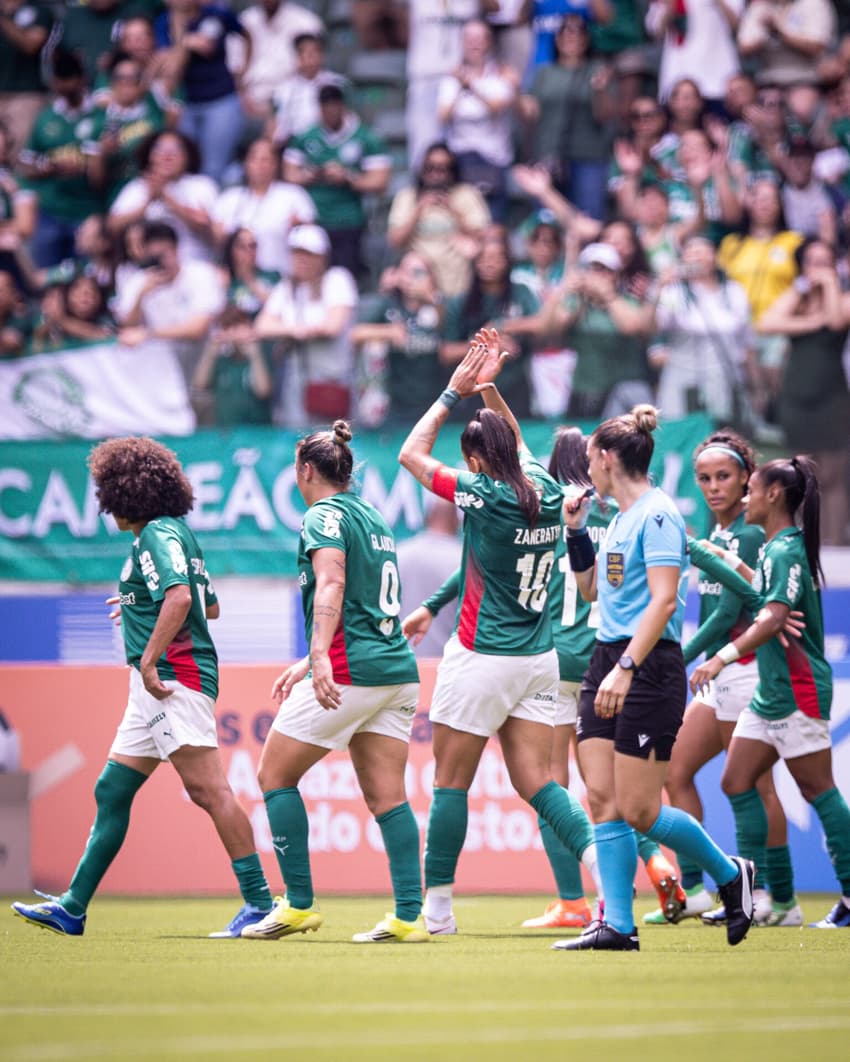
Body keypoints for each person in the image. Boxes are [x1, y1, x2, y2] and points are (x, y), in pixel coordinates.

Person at [11, 436, 274, 939]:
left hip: (172, 678)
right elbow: (207, 605)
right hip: (153, 686)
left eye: (106, 491)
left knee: (209, 790)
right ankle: (72, 908)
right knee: (112, 789)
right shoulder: (177, 532)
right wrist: (135, 605)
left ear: (125, 494)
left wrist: (150, 659)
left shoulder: (156, 534)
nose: (103, 503)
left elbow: (179, 598)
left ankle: (260, 903)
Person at [398, 328, 603, 936]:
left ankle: (437, 911)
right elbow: (514, 439)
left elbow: (410, 454)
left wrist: (451, 393)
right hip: (538, 660)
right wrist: (489, 388)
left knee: (450, 783)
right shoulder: (544, 485)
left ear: (474, 460)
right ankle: (605, 873)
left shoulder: (480, 493)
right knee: (539, 783)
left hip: (483, 656)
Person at [555, 404, 755, 951]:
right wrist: (575, 532)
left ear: (606, 457)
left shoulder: (659, 513)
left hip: (646, 666)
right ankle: (618, 924)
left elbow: (665, 600)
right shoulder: (616, 519)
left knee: (640, 809)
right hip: (605, 658)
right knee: (601, 799)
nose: (585, 467)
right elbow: (593, 590)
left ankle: (732, 874)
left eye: (590, 457)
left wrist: (627, 667)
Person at [241, 421, 427, 944]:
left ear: (306, 470)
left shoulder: (321, 515)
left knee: (274, 775)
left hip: (353, 671)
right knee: (389, 797)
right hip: (395, 670)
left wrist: (319, 653)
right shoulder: (372, 516)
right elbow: (363, 602)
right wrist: (310, 658)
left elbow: (334, 580)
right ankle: (410, 917)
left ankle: (298, 904)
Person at [691, 456, 850, 930]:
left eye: (752, 489)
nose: (745, 499)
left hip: (798, 688)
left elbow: (774, 614)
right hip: (771, 691)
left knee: (818, 789)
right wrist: (719, 557)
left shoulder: (783, 551)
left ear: (774, 495)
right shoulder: (774, 550)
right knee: (736, 781)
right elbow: (768, 602)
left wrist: (721, 656)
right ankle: (768, 897)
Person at [642, 429, 792, 927]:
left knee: (751, 785)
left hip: (746, 670)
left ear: (748, 478)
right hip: (719, 673)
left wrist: (674, 656)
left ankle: (771, 895)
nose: (713, 487)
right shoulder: (719, 534)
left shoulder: (749, 533)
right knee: (675, 773)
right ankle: (696, 888)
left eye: (723, 476)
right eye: (704, 478)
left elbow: (730, 607)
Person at [757, 238, 850, 546]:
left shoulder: (843, 297)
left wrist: (830, 284)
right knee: (800, 479)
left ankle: (834, 549)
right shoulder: (797, 298)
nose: (818, 268)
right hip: (795, 397)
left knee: (833, 480)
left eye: (824, 261)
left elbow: (837, 321)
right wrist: (808, 308)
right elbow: (767, 321)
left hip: (833, 397)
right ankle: (798, 547)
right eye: (812, 262)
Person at [254, 223, 357, 428]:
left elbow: (332, 326)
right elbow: (262, 326)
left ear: (322, 257)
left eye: (307, 254)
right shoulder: (287, 287)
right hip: (296, 381)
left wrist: (292, 329)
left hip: (332, 379)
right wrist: (295, 330)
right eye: (296, 253)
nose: (300, 260)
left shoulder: (336, 279)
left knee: (333, 443)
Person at [283, 84, 391, 277]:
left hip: (348, 219)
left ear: (343, 106)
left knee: (344, 277)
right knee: (312, 276)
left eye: (334, 107)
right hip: (313, 219)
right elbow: (289, 175)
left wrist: (348, 177)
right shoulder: (306, 137)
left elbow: (380, 180)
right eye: (325, 108)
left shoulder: (364, 138)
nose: (330, 113)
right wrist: (315, 174)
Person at [650, 235, 754, 424]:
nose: (695, 257)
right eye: (689, 253)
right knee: (678, 430)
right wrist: (658, 288)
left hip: (723, 374)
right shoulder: (674, 292)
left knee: (719, 431)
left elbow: (746, 340)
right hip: (680, 374)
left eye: (701, 252)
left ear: (714, 257)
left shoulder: (734, 292)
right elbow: (657, 326)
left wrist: (754, 383)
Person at [114, 219, 225, 382]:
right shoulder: (138, 282)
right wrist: (141, 296)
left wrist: (149, 334)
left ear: (176, 249)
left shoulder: (202, 274)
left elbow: (198, 330)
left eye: (163, 255)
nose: (160, 263)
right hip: (161, 372)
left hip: (204, 365)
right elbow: (127, 330)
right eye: (153, 257)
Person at [386, 142, 490, 299]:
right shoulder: (407, 197)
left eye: (443, 169)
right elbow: (395, 241)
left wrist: (454, 212)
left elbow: (484, 238)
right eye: (430, 168)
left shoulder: (467, 195)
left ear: (452, 170)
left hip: (459, 285)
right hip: (418, 287)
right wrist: (418, 210)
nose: (436, 174)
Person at [108, 129, 217, 264]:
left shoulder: (201, 185)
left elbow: (209, 231)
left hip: (193, 263)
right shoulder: (138, 187)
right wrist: (147, 203)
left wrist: (166, 198)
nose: (167, 156)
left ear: (187, 156)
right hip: (147, 266)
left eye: (175, 150)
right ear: (150, 156)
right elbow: (112, 227)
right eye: (159, 149)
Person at [212, 137, 315, 277]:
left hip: (280, 279)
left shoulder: (294, 196)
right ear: (246, 163)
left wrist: (298, 228)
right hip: (237, 281)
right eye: (254, 158)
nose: (259, 164)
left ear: (276, 164)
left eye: (265, 160)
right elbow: (217, 242)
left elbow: (310, 239)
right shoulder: (228, 198)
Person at [396, 496, 462, 659]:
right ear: (456, 521)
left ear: (427, 517)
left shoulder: (397, 554)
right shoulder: (465, 560)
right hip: (446, 666)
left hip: (398, 662)